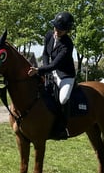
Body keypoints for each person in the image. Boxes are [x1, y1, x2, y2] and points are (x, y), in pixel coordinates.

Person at [28, 11, 76, 139]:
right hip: (51, 71)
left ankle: (62, 127)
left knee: (63, 98)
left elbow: (55, 64)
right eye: (55, 27)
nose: (56, 31)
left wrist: (39, 70)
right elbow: (45, 54)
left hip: (65, 75)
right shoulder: (49, 35)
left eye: (60, 30)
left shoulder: (67, 45)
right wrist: (45, 69)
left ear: (67, 31)